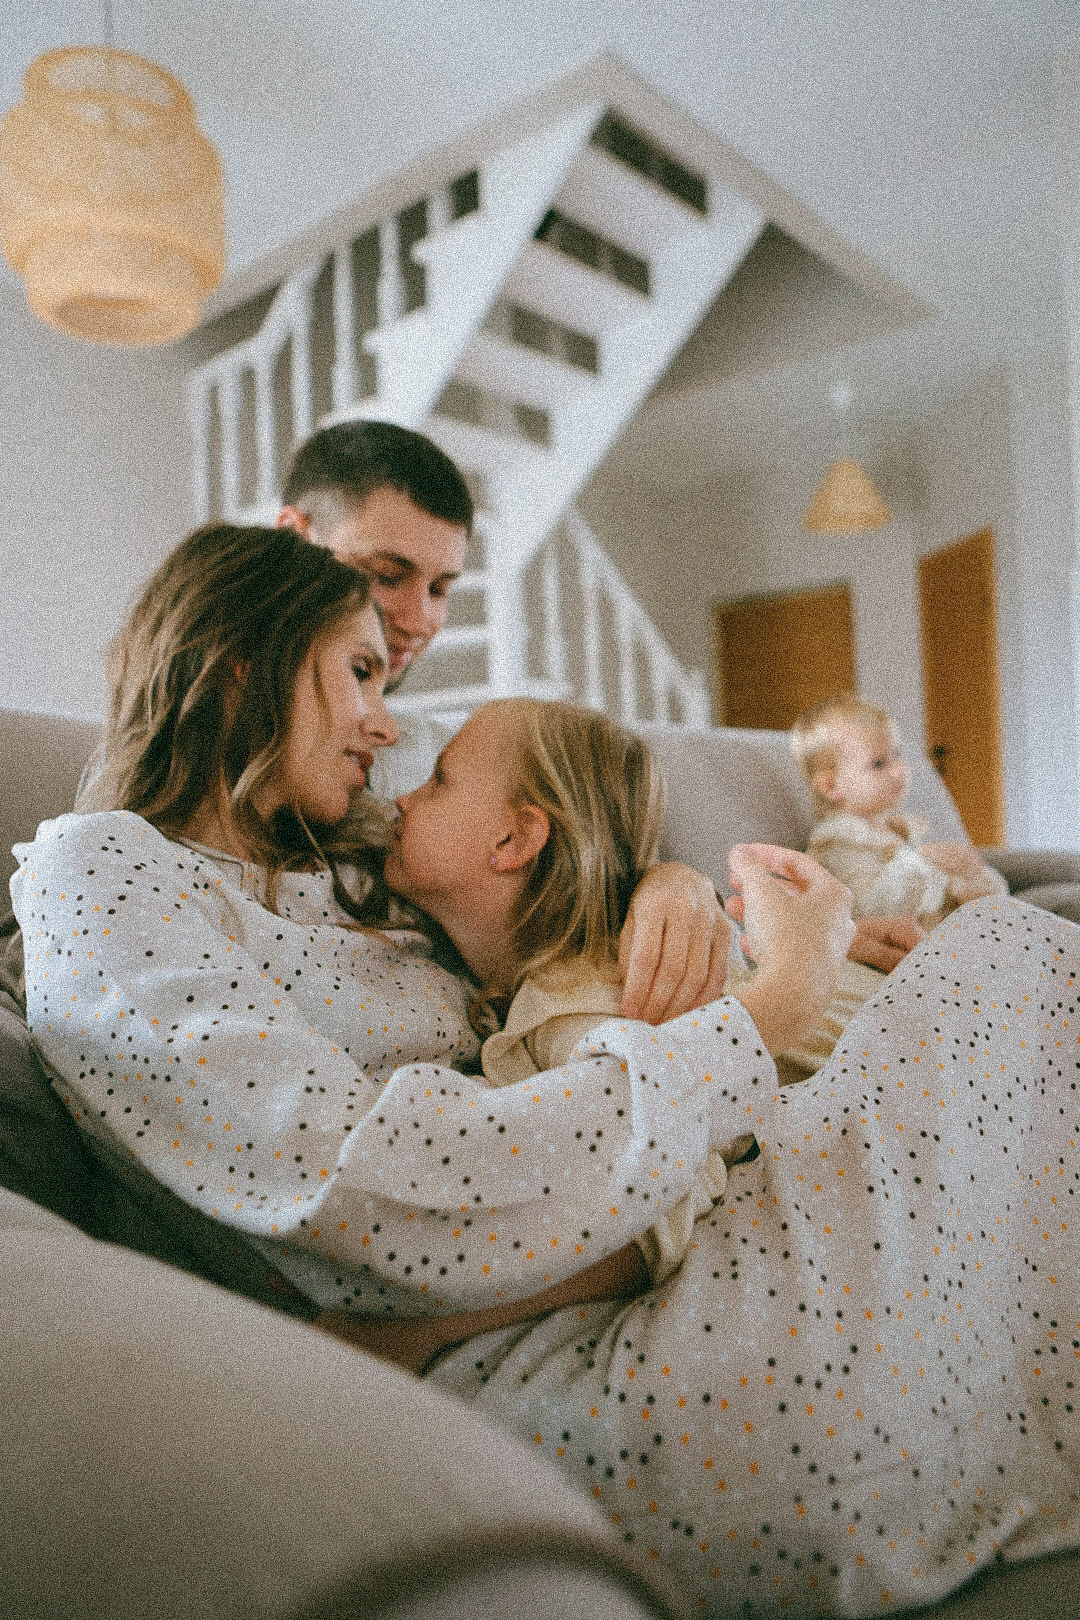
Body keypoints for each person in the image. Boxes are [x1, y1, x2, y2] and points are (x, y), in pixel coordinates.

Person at [13, 523, 1080, 1616]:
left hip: (635, 1224)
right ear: (242, 662)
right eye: (359, 671)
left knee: (1020, 973)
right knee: (1015, 963)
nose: (385, 725)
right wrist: (767, 1013)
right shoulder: (100, 869)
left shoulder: (339, 852)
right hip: (540, 1330)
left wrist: (668, 885)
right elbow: (364, 1181)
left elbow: (553, 850)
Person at [277, 418, 730, 1024]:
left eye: (440, 587)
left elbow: (582, 848)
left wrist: (673, 884)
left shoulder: (443, 747)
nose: (418, 618)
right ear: (295, 538)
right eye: (387, 574)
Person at [792, 694, 1006, 928]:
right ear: (831, 786)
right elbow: (871, 911)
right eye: (878, 764)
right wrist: (925, 861)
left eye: (897, 754)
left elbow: (937, 892)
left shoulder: (899, 830)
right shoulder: (836, 841)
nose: (898, 769)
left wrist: (971, 879)